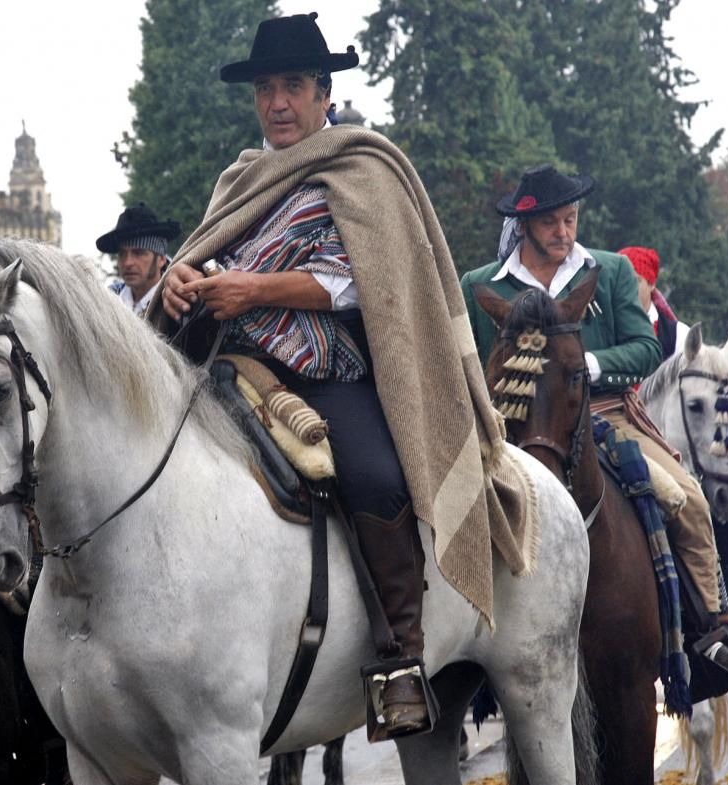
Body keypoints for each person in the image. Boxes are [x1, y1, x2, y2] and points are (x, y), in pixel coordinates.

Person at [153, 12, 514, 737]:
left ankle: (400, 657)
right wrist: (177, 283)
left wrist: (254, 288)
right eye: (265, 89)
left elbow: (365, 285)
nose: (277, 103)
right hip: (227, 365)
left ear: (323, 94)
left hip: (328, 371)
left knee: (376, 476)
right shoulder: (240, 179)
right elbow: (208, 255)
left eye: (292, 87)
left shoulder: (364, 168)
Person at [460, 165, 728, 684]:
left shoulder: (609, 271)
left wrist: (586, 366)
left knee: (688, 500)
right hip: (508, 427)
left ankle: (710, 635)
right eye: (552, 223)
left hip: (604, 413)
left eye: (571, 219)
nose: (564, 232)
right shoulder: (479, 285)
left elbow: (647, 348)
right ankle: (443, 653)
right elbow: (465, 361)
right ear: (525, 225)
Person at [98, 203, 180, 316]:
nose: (127, 262)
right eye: (122, 254)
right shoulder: (107, 302)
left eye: (138, 253)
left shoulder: (175, 301)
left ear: (161, 259)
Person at [619, 245, 689, 359]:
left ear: (651, 284)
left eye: (635, 280)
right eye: (622, 280)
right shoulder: (603, 329)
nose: (627, 287)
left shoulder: (679, 336)